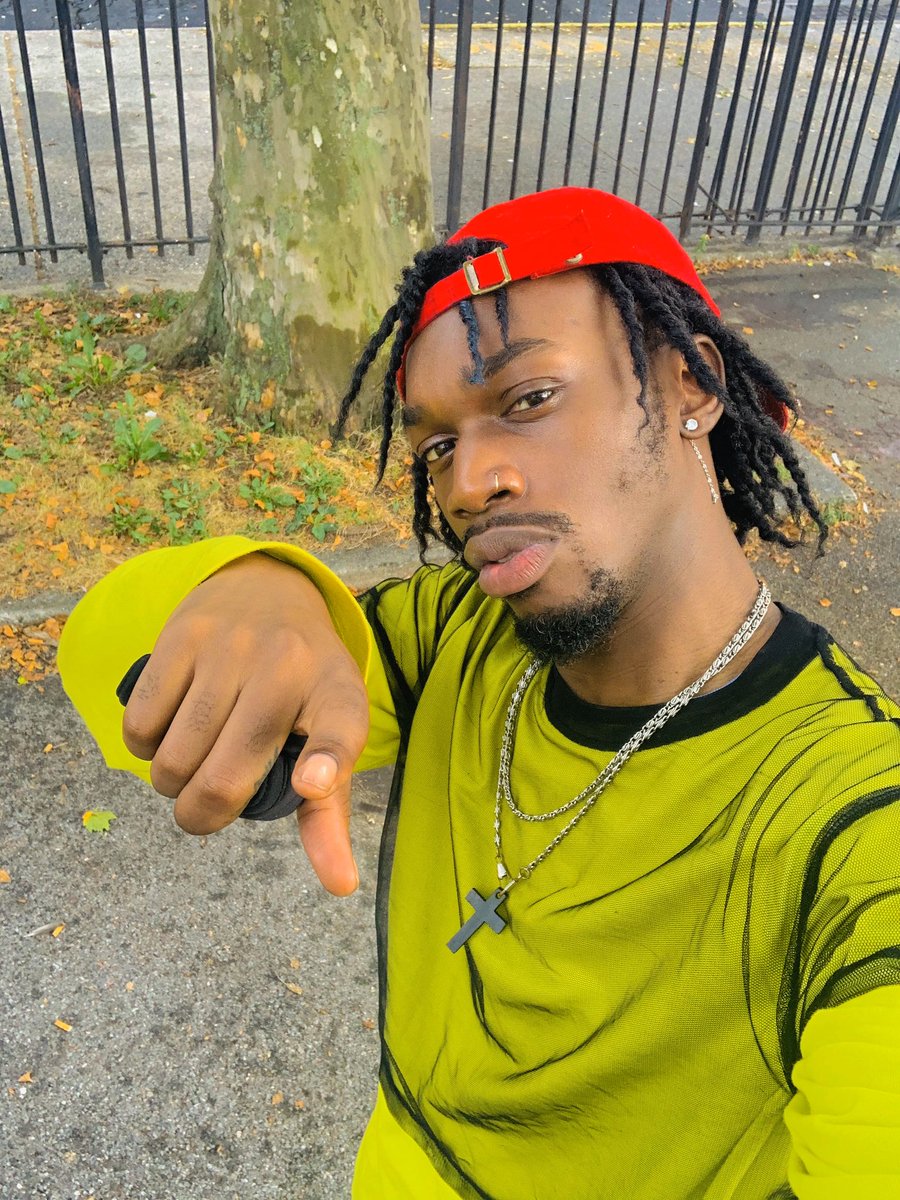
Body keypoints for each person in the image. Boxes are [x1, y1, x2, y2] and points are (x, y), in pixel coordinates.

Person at [58, 188, 900, 1200]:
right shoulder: (452, 637)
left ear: (694, 382)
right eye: (438, 446)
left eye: (528, 399)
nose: (467, 484)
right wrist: (256, 586)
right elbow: (117, 682)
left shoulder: (856, 816)